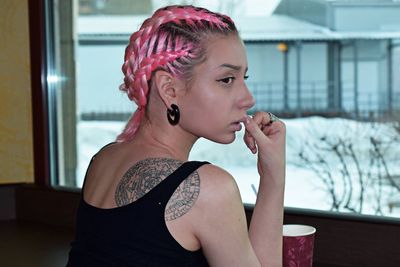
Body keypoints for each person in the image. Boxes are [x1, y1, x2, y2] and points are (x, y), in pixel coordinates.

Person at [67, 4, 285, 267]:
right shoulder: (208, 189)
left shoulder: (103, 159)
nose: (248, 99)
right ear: (169, 89)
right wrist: (275, 178)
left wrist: (271, 172)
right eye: (227, 79)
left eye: (244, 77)